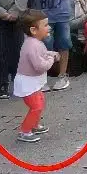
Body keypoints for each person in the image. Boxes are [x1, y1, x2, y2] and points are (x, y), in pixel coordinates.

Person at [14, 9, 57, 143]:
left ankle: (34, 125)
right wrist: (52, 59)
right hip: (28, 83)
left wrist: (50, 54)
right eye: (45, 25)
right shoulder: (32, 45)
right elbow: (39, 66)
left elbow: (41, 55)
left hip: (32, 81)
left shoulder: (34, 43)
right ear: (33, 30)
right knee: (36, 106)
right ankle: (25, 131)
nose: (48, 27)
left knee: (40, 102)